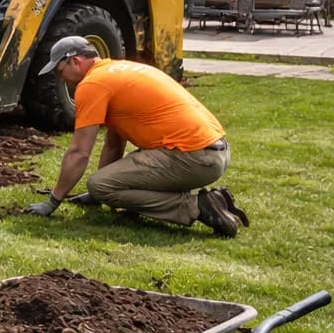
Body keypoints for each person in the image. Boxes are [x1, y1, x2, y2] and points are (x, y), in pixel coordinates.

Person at [25, 37, 248, 235]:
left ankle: (198, 206)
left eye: (59, 70)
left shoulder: (92, 84)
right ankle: (200, 201)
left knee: (99, 185)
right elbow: (114, 143)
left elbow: (79, 152)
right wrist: (96, 197)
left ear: (75, 61)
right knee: (101, 187)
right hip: (215, 152)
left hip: (195, 158)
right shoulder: (119, 70)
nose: (61, 79)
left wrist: (53, 201)